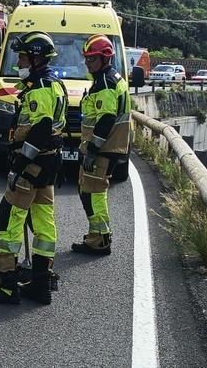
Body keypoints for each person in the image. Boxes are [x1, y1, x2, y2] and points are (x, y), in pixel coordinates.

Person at [0, 32, 66, 305]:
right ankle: (40, 284)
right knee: (43, 222)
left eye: (23, 56)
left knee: (9, 217)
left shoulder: (38, 88)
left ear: (37, 58)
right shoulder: (55, 84)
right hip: (50, 166)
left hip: (33, 165)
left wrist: (19, 166)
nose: (19, 61)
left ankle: (6, 284)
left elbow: (40, 130)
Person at [72, 34, 131, 256]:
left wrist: (92, 150)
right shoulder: (110, 78)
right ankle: (97, 236)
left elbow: (106, 119)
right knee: (88, 189)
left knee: (94, 192)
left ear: (105, 58)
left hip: (104, 148)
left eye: (93, 59)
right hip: (108, 146)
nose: (88, 63)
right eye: (86, 59)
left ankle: (100, 240)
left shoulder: (105, 82)